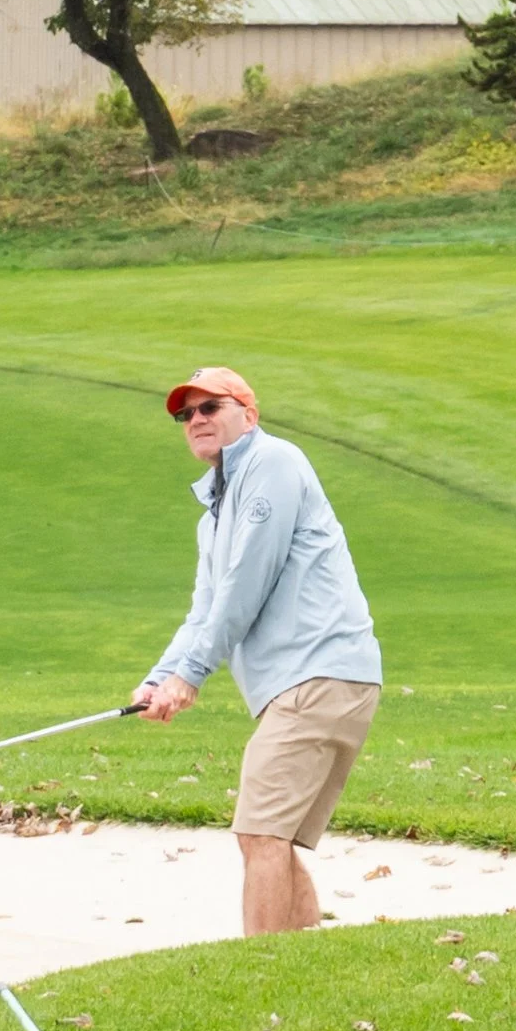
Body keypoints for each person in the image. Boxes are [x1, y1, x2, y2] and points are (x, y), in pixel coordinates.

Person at [134, 366, 382, 935]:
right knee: (276, 836)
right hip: (313, 681)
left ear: (248, 414)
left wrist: (191, 676)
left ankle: (261, 974)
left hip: (319, 672)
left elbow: (248, 580)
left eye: (209, 408)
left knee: (260, 834)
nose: (195, 420)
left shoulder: (273, 462)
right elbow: (206, 609)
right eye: (185, 414)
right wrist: (162, 676)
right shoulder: (215, 512)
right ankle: (303, 965)